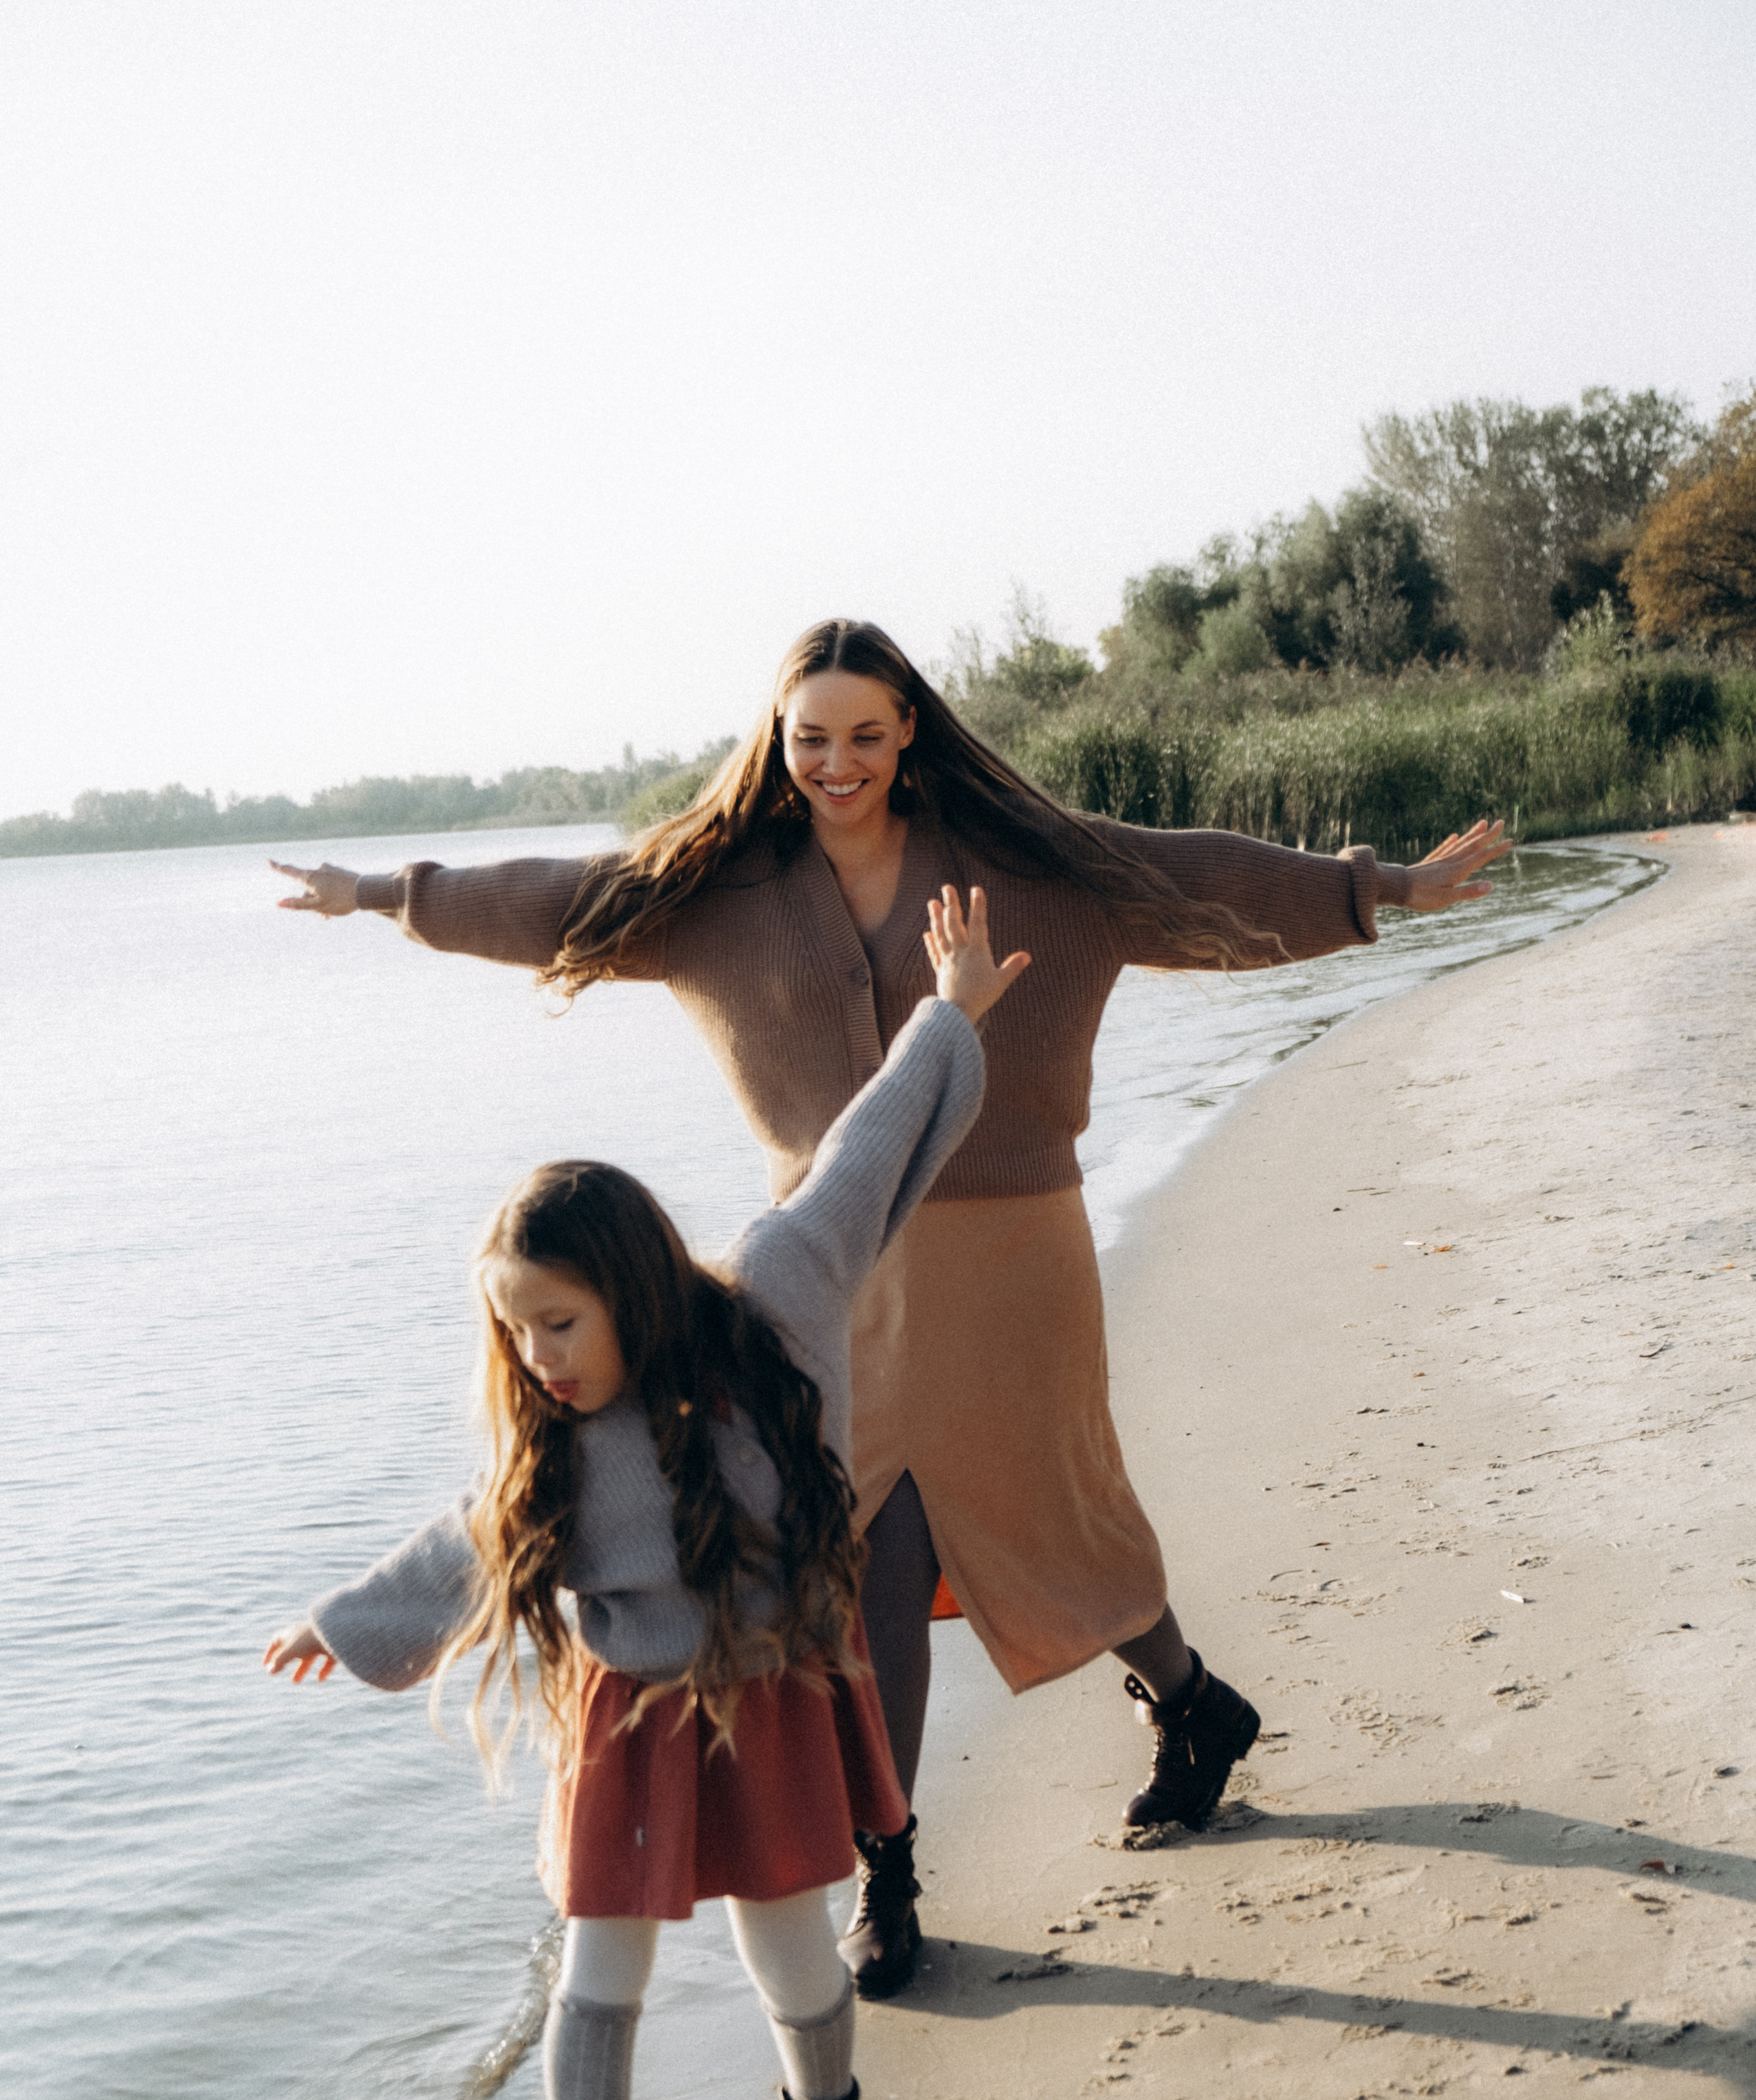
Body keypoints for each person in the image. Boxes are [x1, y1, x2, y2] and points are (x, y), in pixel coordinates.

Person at [275, 617, 1506, 1998]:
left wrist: (1384, 887)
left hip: (1009, 1248)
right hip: (822, 1272)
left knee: (1047, 1515)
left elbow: (1192, 877)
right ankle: (895, 1872)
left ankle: (1189, 1701)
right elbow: (563, 897)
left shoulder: (1029, 871)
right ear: (778, 741)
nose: (837, 762)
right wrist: (387, 891)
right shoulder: (714, 892)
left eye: (865, 733)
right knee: (861, 1540)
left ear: (907, 730)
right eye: (811, 738)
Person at [263, 885, 1024, 2100]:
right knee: (597, 1977)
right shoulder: (546, 1454)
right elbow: (467, 1543)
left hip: (774, 1690)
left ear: (630, 1287)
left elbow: (862, 1152)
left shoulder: (777, 1302)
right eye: (513, 1331)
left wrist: (949, 1015)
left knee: (796, 1957)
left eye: (558, 1320)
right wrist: (343, 1618)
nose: (536, 1356)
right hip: (634, 1719)